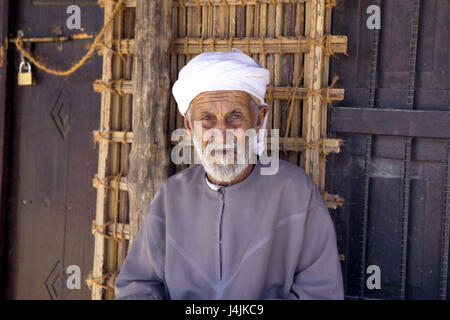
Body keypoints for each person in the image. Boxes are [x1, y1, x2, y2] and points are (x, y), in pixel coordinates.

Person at [114, 48, 344, 300]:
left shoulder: (296, 192)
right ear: (190, 127)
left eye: (235, 116)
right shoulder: (171, 197)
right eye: (207, 118)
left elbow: (321, 292)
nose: (221, 134)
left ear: (258, 120)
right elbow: (137, 286)